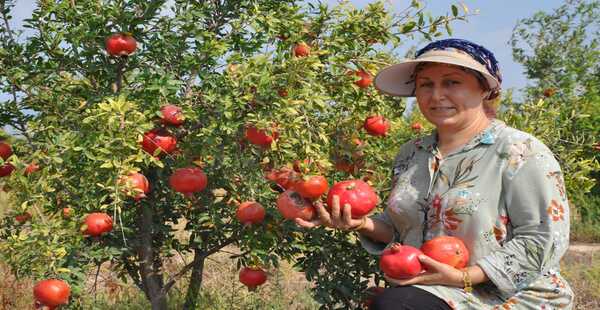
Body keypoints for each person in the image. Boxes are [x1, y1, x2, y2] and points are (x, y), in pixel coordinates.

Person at [296, 38, 573, 309]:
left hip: (509, 296)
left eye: (452, 82)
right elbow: (405, 228)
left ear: (485, 90)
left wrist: (464, 277)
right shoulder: (412, 152)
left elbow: (543, 238)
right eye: (426, 85)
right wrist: (361, 224)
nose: (437, 95)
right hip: (429, 291)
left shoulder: (520, 151)